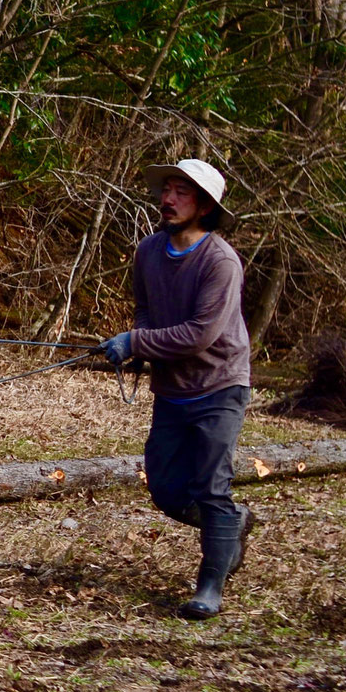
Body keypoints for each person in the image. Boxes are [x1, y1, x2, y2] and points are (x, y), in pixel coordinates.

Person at [100, 159, 254, 620]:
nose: (167, 200)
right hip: (172, 390)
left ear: (205, 205)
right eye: (167, 189)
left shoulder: (221, 261)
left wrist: (136, 342)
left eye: (181, 192)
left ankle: (210, 586)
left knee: (210, 485)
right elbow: (145, 308)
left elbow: (200, 334)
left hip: (220, 385)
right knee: (166, 490)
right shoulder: (148, 251)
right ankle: (232, 522)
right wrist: (139, 344)